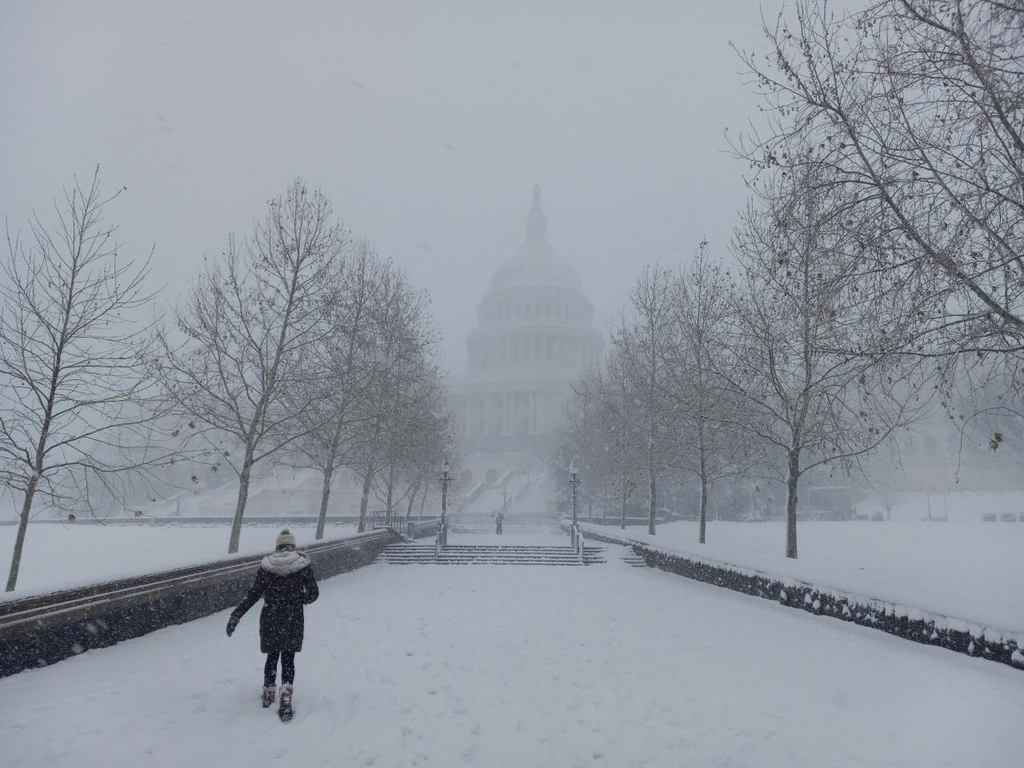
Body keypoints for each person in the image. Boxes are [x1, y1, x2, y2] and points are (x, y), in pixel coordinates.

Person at [226, 529, 319, 721]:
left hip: (271, 617)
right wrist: (297, 598)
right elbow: (313, 594)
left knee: (272, 656)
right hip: (293, 617)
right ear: (292, 546)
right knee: (288, 658)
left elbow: (253, 594)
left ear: (277, 546)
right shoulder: (302, 565)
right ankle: (285, 697)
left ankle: (268, 694)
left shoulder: (267, 566)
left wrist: (236, 615)